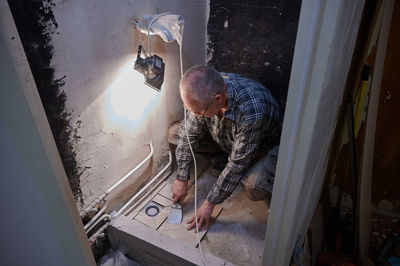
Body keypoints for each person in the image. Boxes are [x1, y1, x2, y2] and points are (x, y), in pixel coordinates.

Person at [170, 65, 282, 232]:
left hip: (259, 146)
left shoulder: (252, 112)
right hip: (227, 136)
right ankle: (224, 157)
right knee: (175, 134)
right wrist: (182, 178)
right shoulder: (205, 86)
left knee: (253, 185)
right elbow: (188, 134)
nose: (195, 115)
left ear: (218, 99)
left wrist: (209, 203)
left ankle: (253, 166)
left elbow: (237, 164)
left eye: (199, 112)